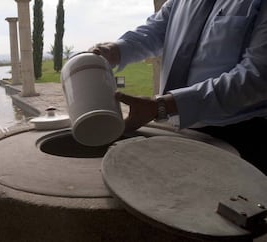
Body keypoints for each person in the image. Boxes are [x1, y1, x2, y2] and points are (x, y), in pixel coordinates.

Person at [91, 0, 267, 175]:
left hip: (239, 134)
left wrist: (162, 106)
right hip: (177, 126)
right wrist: (112, 51)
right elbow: (155, 31)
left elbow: (257, 77)